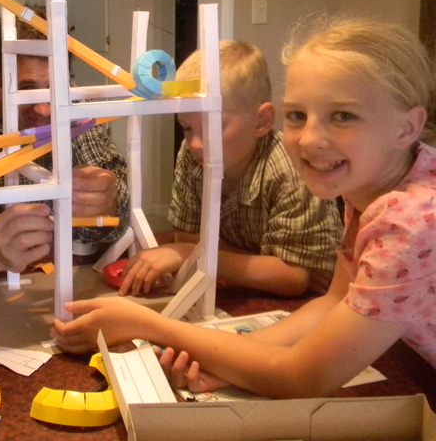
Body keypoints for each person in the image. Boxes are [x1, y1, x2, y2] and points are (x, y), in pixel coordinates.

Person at [51, 18, 436, 399]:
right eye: (298, 115)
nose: (310, 139)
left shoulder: (409, 221)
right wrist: (232, 360)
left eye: (343, 116)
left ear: (407, 127)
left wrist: (146, 324)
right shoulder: (372, 188)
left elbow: (304, 378)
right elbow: (334, 301)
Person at [120, 41, 341, 297]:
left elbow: (293, 278)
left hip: (312, 302)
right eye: (187, 127)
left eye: (213, 127)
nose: (195, 143)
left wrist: (196, 254)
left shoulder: (291, 168)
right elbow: (188, 237)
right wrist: (243, 261)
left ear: (261, 121)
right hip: (236, 288)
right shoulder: (192, 156)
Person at [0, 13, 129, 275]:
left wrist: (107, 199)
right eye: (27, 88)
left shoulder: (76, 113)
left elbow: (121, 202)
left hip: (64, 276)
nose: (44, 109)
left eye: (55, 88)